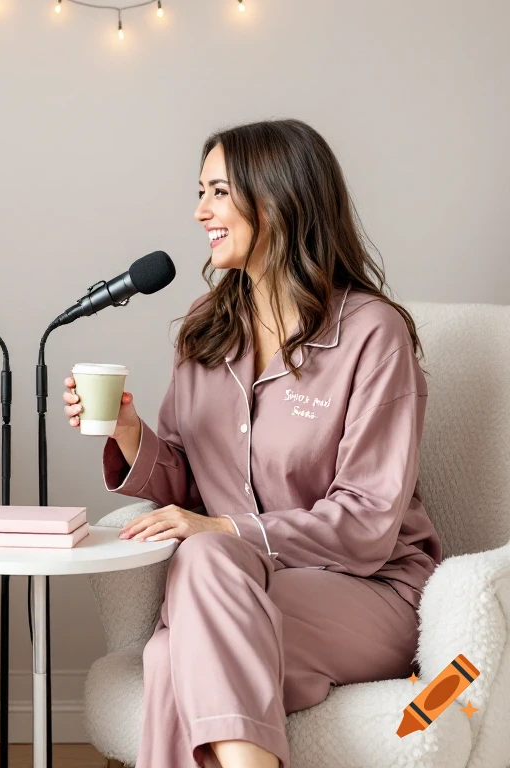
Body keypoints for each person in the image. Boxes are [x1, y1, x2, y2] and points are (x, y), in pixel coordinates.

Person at [63, 119, 440, 768]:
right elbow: (184, 485)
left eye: (216, 192)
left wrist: (224, 531)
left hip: (369, 588)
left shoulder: (372, 334)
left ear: (276, 199)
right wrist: (129, 433)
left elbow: (370, 522)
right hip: (235, 582)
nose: (199, 211)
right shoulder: (205, 332)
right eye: (200, 192)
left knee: (178, 638)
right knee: (201, 578)